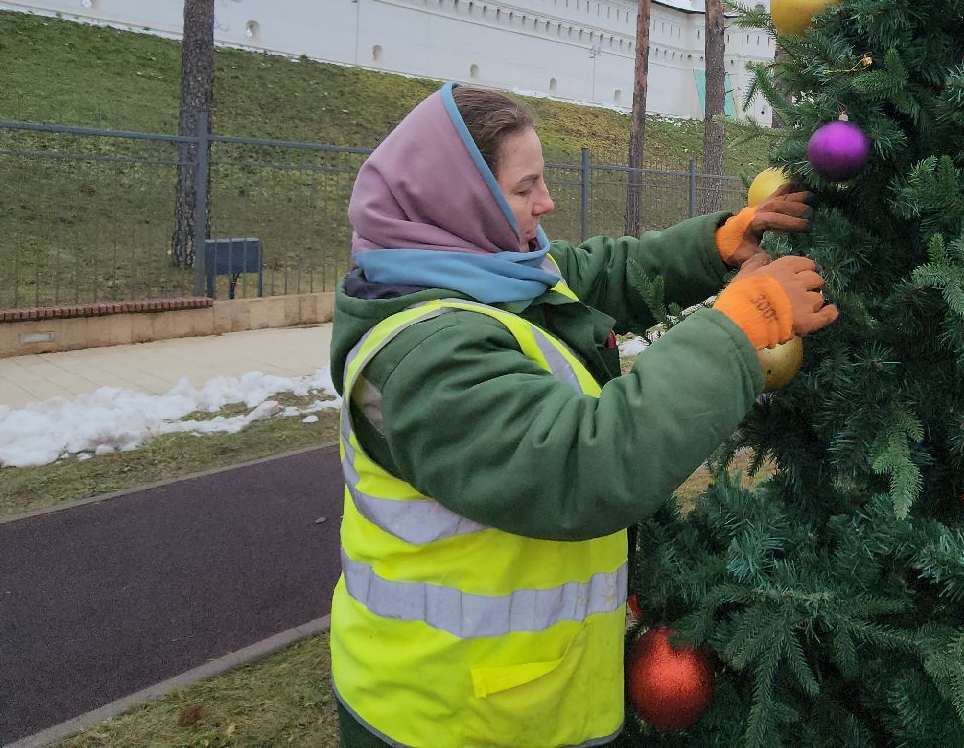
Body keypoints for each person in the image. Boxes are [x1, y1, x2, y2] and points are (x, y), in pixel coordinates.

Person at [329, 83, 838, 747]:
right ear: (460, 202)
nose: (546, 204)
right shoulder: (424, 358)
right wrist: (737, 328)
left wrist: (716, 246)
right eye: (524, 188)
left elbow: (598, 272)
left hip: (525, 696)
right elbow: (583, 465)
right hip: (450, 714)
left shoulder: (491, 268)